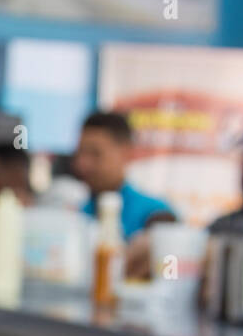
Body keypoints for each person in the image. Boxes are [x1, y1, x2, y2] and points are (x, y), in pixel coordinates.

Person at [73, 111, 177, 278]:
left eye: (95, 154)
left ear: (126, 153)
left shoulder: (157, 215)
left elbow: (171, 272)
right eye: (80, 153)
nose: (82, 164)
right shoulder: (78, 213)